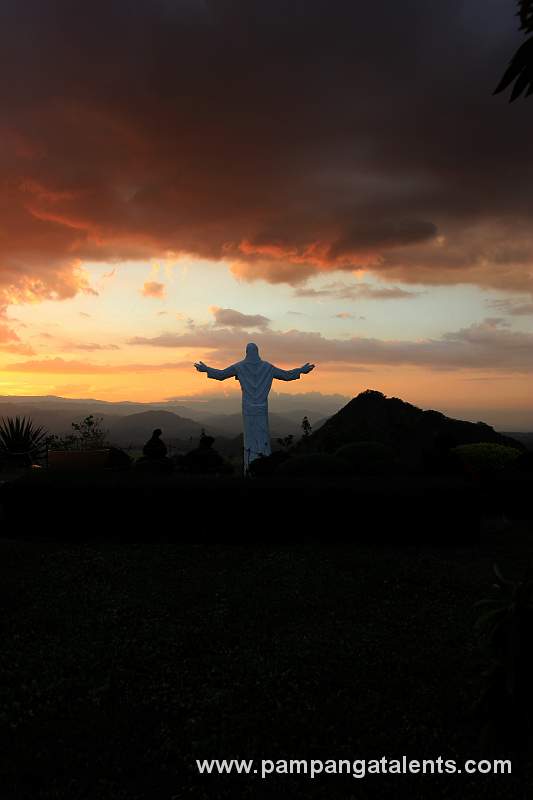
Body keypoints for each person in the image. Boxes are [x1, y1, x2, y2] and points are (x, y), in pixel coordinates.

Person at [194, 342, 315, 474]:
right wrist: (301, 370)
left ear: (246, 352)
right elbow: (286, 375)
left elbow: (221, 375)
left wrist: (206, 369)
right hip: (262, 409)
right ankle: (264, 467)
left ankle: (251, 469)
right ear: (258, 352)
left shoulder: (240, 366)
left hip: (248, 409)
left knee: (250, 438)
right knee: (263, 436)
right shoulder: (267, 367)